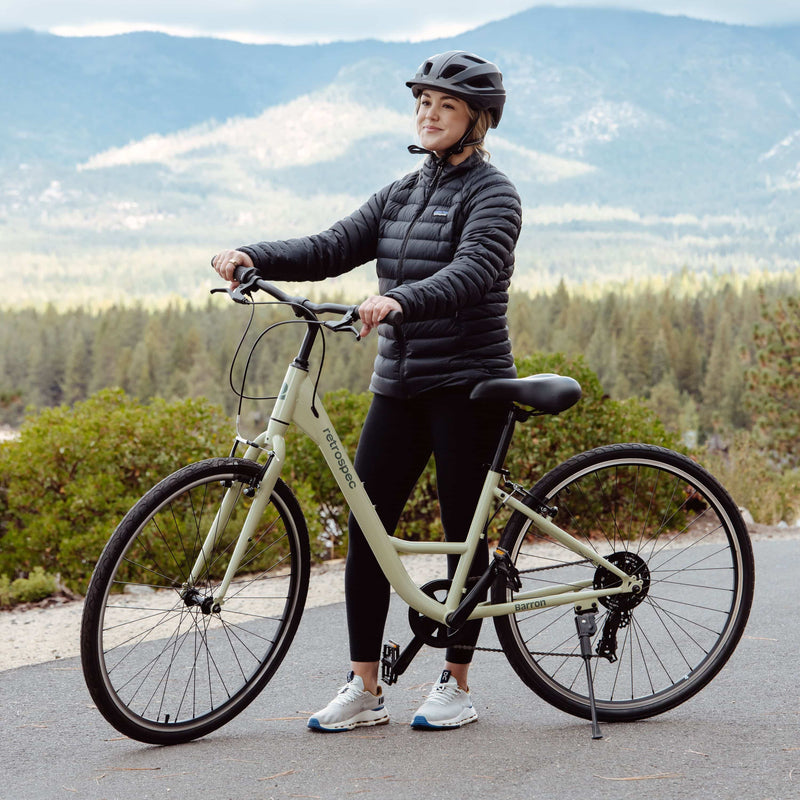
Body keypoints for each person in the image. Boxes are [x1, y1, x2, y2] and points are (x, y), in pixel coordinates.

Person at [212, 50, 522, 731]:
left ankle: (456, 683)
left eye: (445, 105)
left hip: (468, 381)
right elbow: (331, 245)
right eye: (422, 104)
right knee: (369, 529)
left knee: (460, 534)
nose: (429, 114)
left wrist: (399, 300)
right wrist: (253, 255)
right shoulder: (402, 191)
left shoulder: (494, 194)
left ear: (477, 120)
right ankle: (366, 687)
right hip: (401, 382)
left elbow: (473, 271)